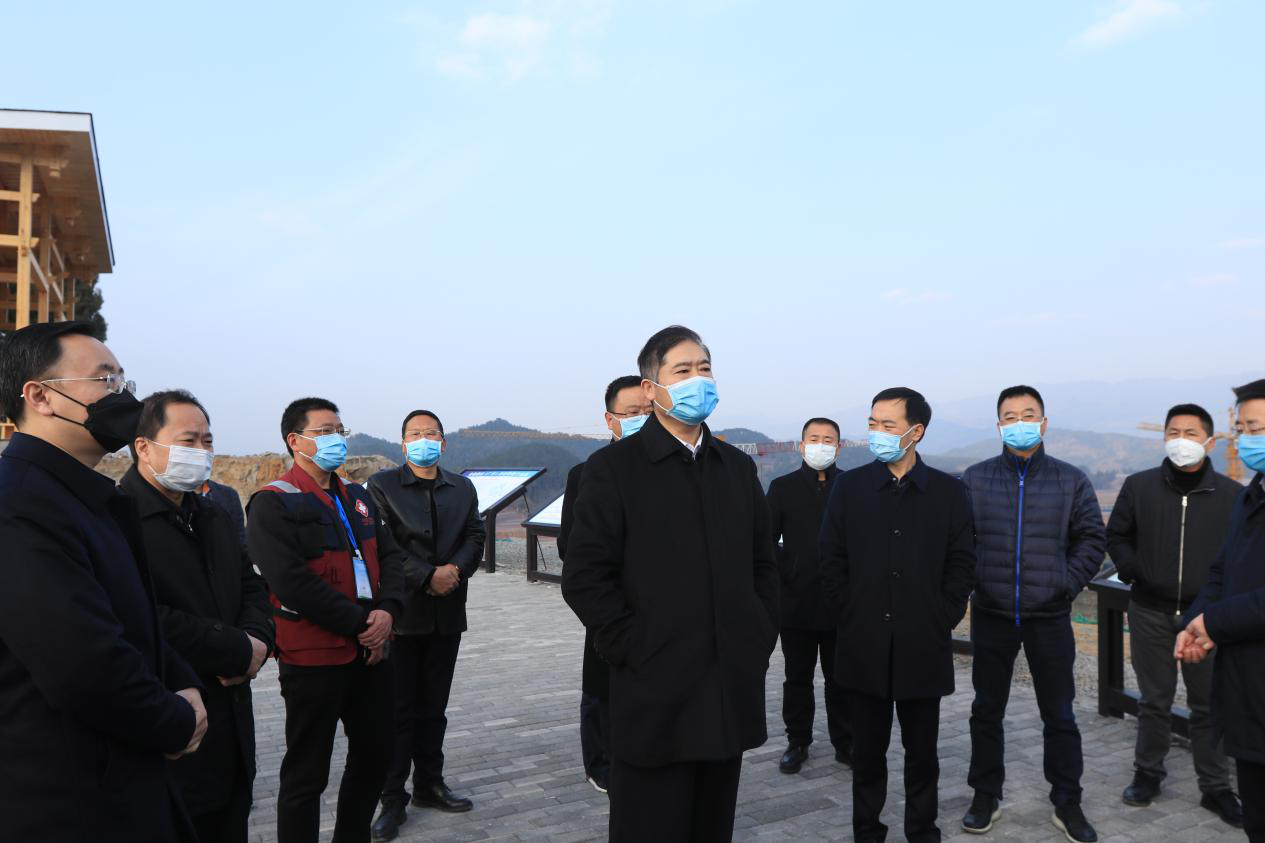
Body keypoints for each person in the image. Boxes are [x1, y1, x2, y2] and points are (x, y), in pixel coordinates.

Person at [561, 325, 779, 842]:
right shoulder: (613, 468)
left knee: (712, 825)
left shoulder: (735, 467)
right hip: (653, 688)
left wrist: (757, 633)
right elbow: (586, 575)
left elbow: (764, 564)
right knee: (649, 825)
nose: (697, 379)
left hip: (726, 685)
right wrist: (631, 645)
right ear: (651, 387)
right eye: (682, 370)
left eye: (705, 368)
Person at [0, 321, 207, 842]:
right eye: (105, 380)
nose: (123, 396)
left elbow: (131, 621)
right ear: (40, 396)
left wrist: (181, 679)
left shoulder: (82, 497)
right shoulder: (20, 504)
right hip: (71, 802)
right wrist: (176, 721)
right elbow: (81, 665)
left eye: (123, 380)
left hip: (118, 783)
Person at [247, 397, 407, 843]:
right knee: (307, 772)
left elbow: (392, 558)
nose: (336, 438)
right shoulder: (273, 502)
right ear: (295, 441)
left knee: (375, 756)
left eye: (340, 430)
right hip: (314, 658)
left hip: (371, 654)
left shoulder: (358, 496)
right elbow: (292, 583)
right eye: (324, 431)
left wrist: (389, 611)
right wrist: (363, 625)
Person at [819, 387, 975, 843]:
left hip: (922, 644)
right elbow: (830, 558)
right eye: (873, 423)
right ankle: (867, 831)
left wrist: (942, 615)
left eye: (889, 425)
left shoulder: (948, 492)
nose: (878, 433)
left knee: (922, 753)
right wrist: (850, 611)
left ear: (916, 431)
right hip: (864, 643)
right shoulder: (850, 487)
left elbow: (962, 563)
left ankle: (922, 831)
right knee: (866, 755)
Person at [120, 389, 276, 843]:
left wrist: (257, 641)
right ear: (144, 446)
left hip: (233, 734)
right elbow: (138, 615)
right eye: (188, 441)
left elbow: (251, 584)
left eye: (208, 441)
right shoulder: (116, 521)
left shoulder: (213, 515)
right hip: (173, 729)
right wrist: (233, 649)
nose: (202, 451)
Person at [960, 386, 1104, 842]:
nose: (1019, 422)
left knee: (1060, 713)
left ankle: (1068, 800)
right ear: (998, 425)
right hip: (992, 612)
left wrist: (1064, 583)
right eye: (1010, 416)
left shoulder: (1070, 480)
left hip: (1050, 616)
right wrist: (978, 582)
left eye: (1028, 414)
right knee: (986, 710)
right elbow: (959, 542)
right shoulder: (975, 479)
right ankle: (985, 794)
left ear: (1044, 423)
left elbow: (1092, 540)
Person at [1107, 403, 1242, 827]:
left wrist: (1217, 610)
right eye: (1173, 432)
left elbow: (1239, 556)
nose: (1180, 440)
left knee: (1208, 705)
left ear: (1210, 441)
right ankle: (1147, 774)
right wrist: (1136, 571)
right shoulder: (1139, 486)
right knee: (1154, 701)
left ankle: (1215, 787)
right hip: (1150, 610)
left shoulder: (1232, 496)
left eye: (1190, 432)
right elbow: (1117, 535)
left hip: (1205, 619)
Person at [369, 409, 486, 841]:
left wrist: (453, 571)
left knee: (434, 709)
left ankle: (429, 784)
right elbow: (383, 545)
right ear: (403, 444)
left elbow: (475, 535)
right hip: (402, 615)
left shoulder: (462, 487)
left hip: (447, 614)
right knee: (397, 711)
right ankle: (391, 798)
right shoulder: (381, 486)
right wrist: (426, 576)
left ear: (443, 441)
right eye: (415, 434)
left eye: (431, 433)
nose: (424, 440)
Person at [1178, 378, 1265, 843]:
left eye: (1258, 428)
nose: (1248, 439)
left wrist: (1213, 623)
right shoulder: (1251, 495)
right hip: (1248, 692)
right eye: (1244, 428)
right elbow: (1221, 569)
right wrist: (1196, 622)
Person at [557, 374, 652, 794]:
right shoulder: (586, 473)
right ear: (610, 420)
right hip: (609, 603)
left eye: (648, 411)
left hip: (659, 606)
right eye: (632, 413)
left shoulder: (669, 470)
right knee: (600, 686)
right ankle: (600, 763)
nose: (642, 419)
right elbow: (570, 546)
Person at [768, 416, 852, 774]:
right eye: (814, 438)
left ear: (839, 447)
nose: (821, 445)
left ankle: (845, 742)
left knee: (841, 678)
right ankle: (797, 741)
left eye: (828, 439)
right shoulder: (782, 487)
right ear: (802, 446)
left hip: (841, 603)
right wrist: (789, 569)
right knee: (797, 678)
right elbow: (765, 541)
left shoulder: (851, 486)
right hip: (796, 602)